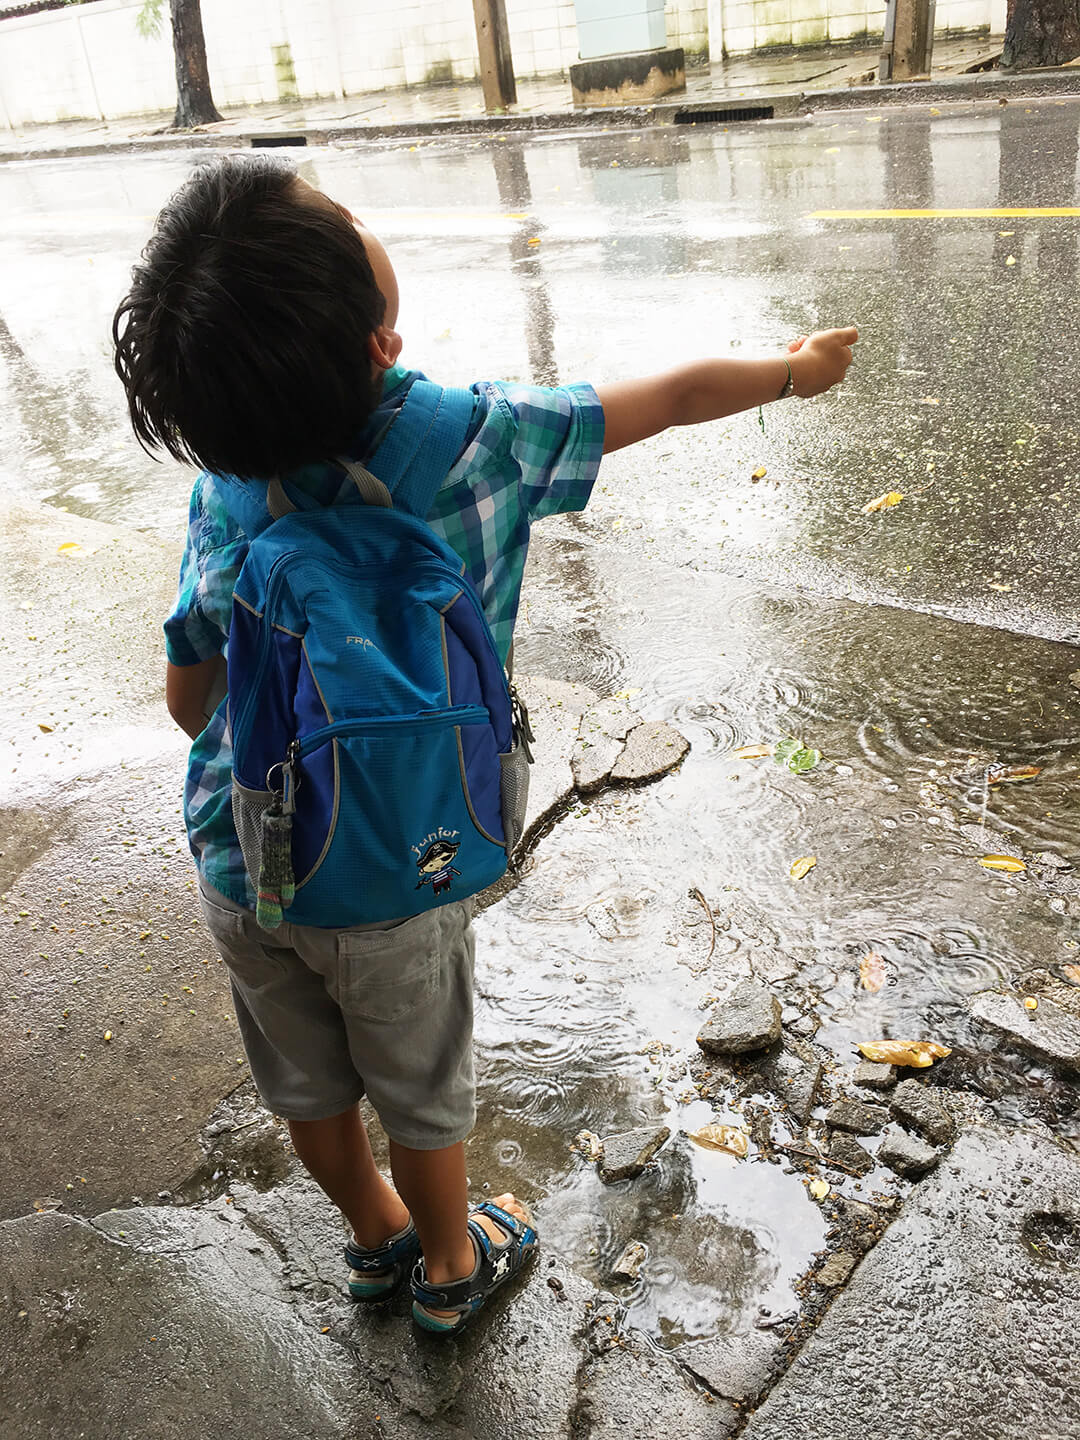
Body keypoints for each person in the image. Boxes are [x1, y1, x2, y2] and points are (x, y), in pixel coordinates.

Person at [112, 153, 857, 1336]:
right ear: (376, 345)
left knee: (308, 1081)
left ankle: (374, 1238)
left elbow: (188, 703)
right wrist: (793, 370)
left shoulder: (224, 491)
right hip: (403, 868)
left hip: (242, 858)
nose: (356, 217)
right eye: (344, 223)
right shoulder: (475, 443)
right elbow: (656, 399)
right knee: (421, 1084)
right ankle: (453, 1263)